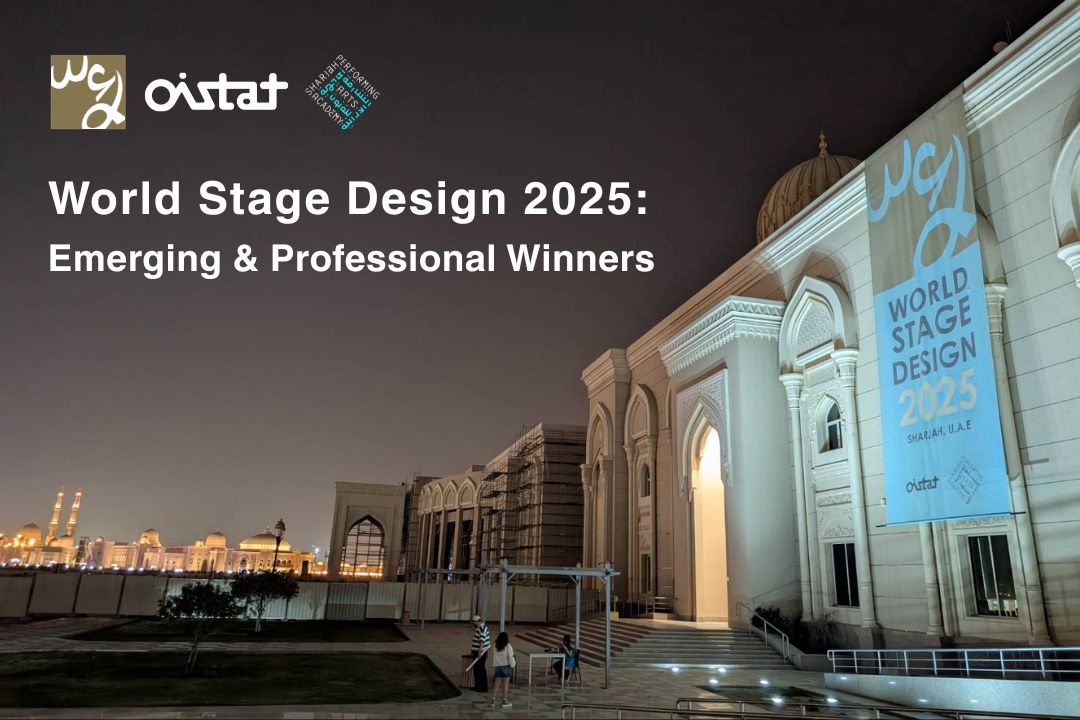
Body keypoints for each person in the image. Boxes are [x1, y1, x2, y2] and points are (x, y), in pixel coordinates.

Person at [489, 631, 516, 708]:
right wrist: (513, 664)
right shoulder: (508, 646)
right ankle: (504, 700)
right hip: (506, 667)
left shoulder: (495, 645)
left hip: (498, 667)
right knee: (505, 685)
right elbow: (510, 656)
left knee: (496, 685)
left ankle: (493, 700)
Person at [469, 615, 490, 692]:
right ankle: (478, 685)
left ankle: (481, 687)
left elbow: (482, 640)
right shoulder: (480, 627)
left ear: (477, 622)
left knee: (480, 669)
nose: (473, 624)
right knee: (477, 669)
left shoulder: (482, 628)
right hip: (479, 651)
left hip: (480, 652)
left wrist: (479, 652)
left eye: (474, 622)